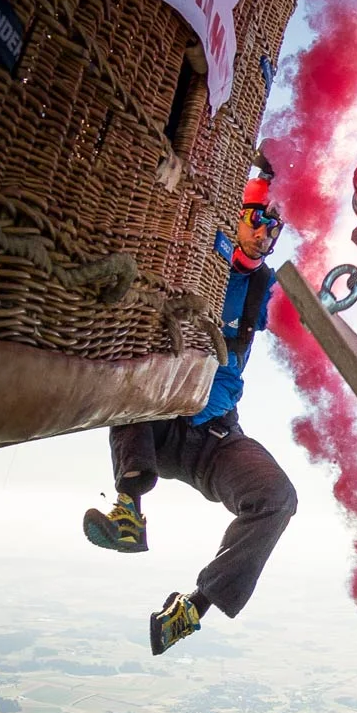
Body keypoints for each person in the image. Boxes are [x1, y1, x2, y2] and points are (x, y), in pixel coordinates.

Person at [84, 161, 297, 655]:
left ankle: (194, 607)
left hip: (215, 432)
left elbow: (289, 311)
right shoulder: (198, 252)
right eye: (258, 220)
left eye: (275, 226)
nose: (267, 235)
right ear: (235, 216)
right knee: (131, 380)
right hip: (160, 413)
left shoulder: (263, 286)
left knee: (278, 499)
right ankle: (128, 512)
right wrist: (260, 173)